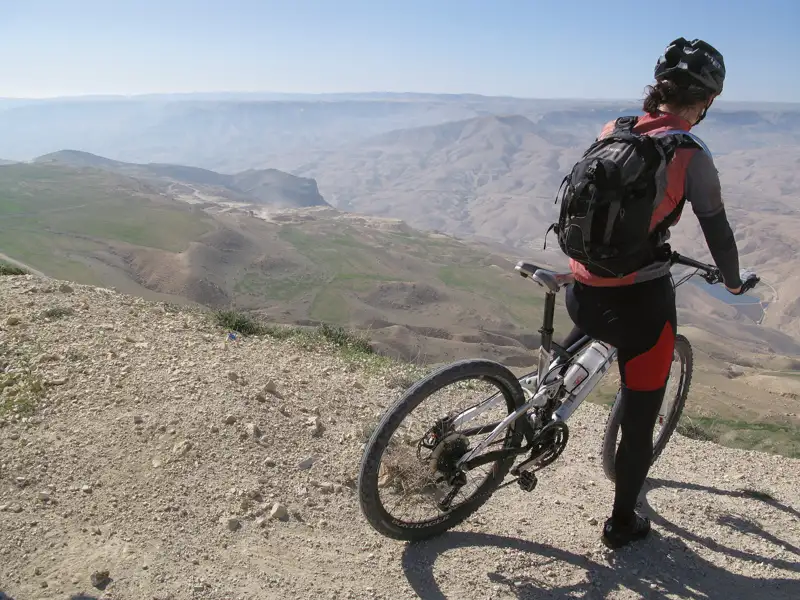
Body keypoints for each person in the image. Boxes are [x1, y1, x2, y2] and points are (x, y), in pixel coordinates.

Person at [559, 38, 757, 549]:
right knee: (641, 414)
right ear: (706, 101)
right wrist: (733, 282)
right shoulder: (690, 152)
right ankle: (622, 523)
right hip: (639, 307)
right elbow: (718, 231)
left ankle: (537, 407)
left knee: (573, 352)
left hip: (582, 289)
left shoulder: (614, 130)